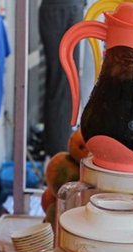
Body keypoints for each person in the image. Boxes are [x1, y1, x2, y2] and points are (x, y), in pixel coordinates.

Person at [39, 0, 86, 158]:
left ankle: (58, 152)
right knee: (63, 82)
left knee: (65, 82)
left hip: (67, 8)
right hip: (61, 8)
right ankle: (59, 154)